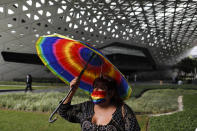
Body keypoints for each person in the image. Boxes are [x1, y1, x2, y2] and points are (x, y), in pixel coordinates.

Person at [58, 75, 140, 131]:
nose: (96, 90)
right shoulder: (86, 107)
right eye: (95, 86)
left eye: (102, 88)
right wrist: (72, 91)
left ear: (111, 93)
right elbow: (64, 111)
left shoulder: (123, 110)